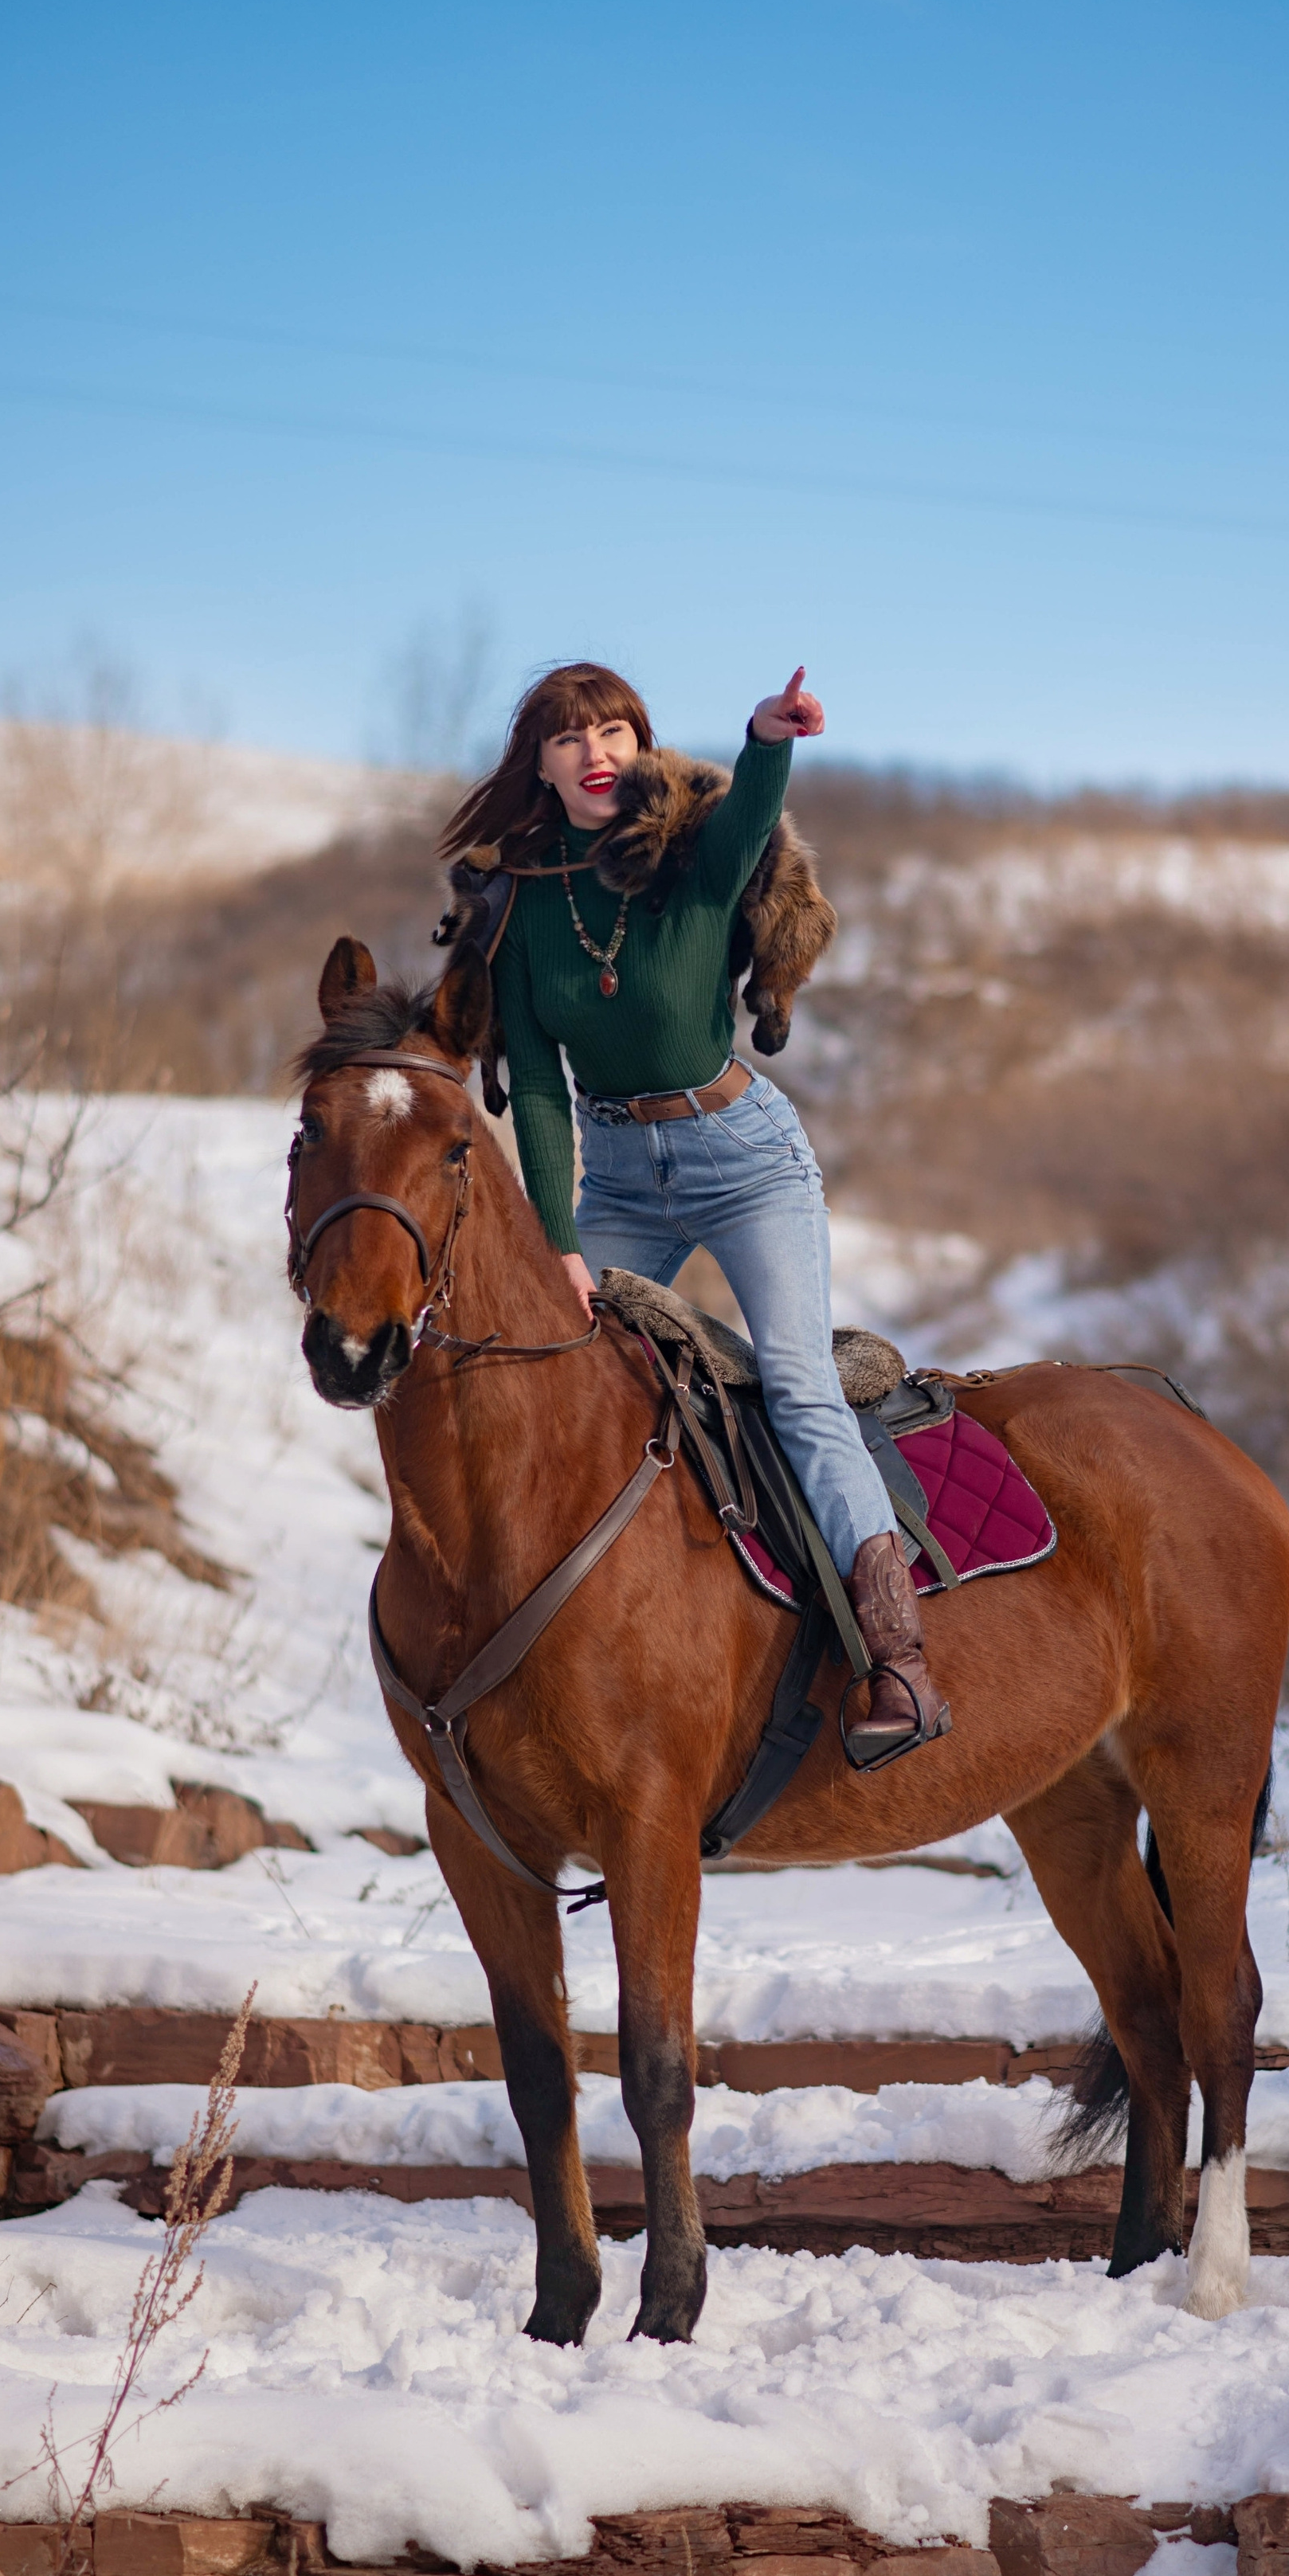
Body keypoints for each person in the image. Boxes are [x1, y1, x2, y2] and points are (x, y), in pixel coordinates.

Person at [436, 660, 948, 1767]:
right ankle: (566, 1631)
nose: (596, 753)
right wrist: (559, 1244)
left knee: (799, 1383)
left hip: (744, 1157)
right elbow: (537, 1090)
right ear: (540, 765)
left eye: (615, 732)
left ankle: (895, 1657)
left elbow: (752, 817)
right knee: (558, 1371)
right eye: (569, 739)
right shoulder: (518, 905)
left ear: (641, 748)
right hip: (619, 1176)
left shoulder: (691, 857)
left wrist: (767, 737)